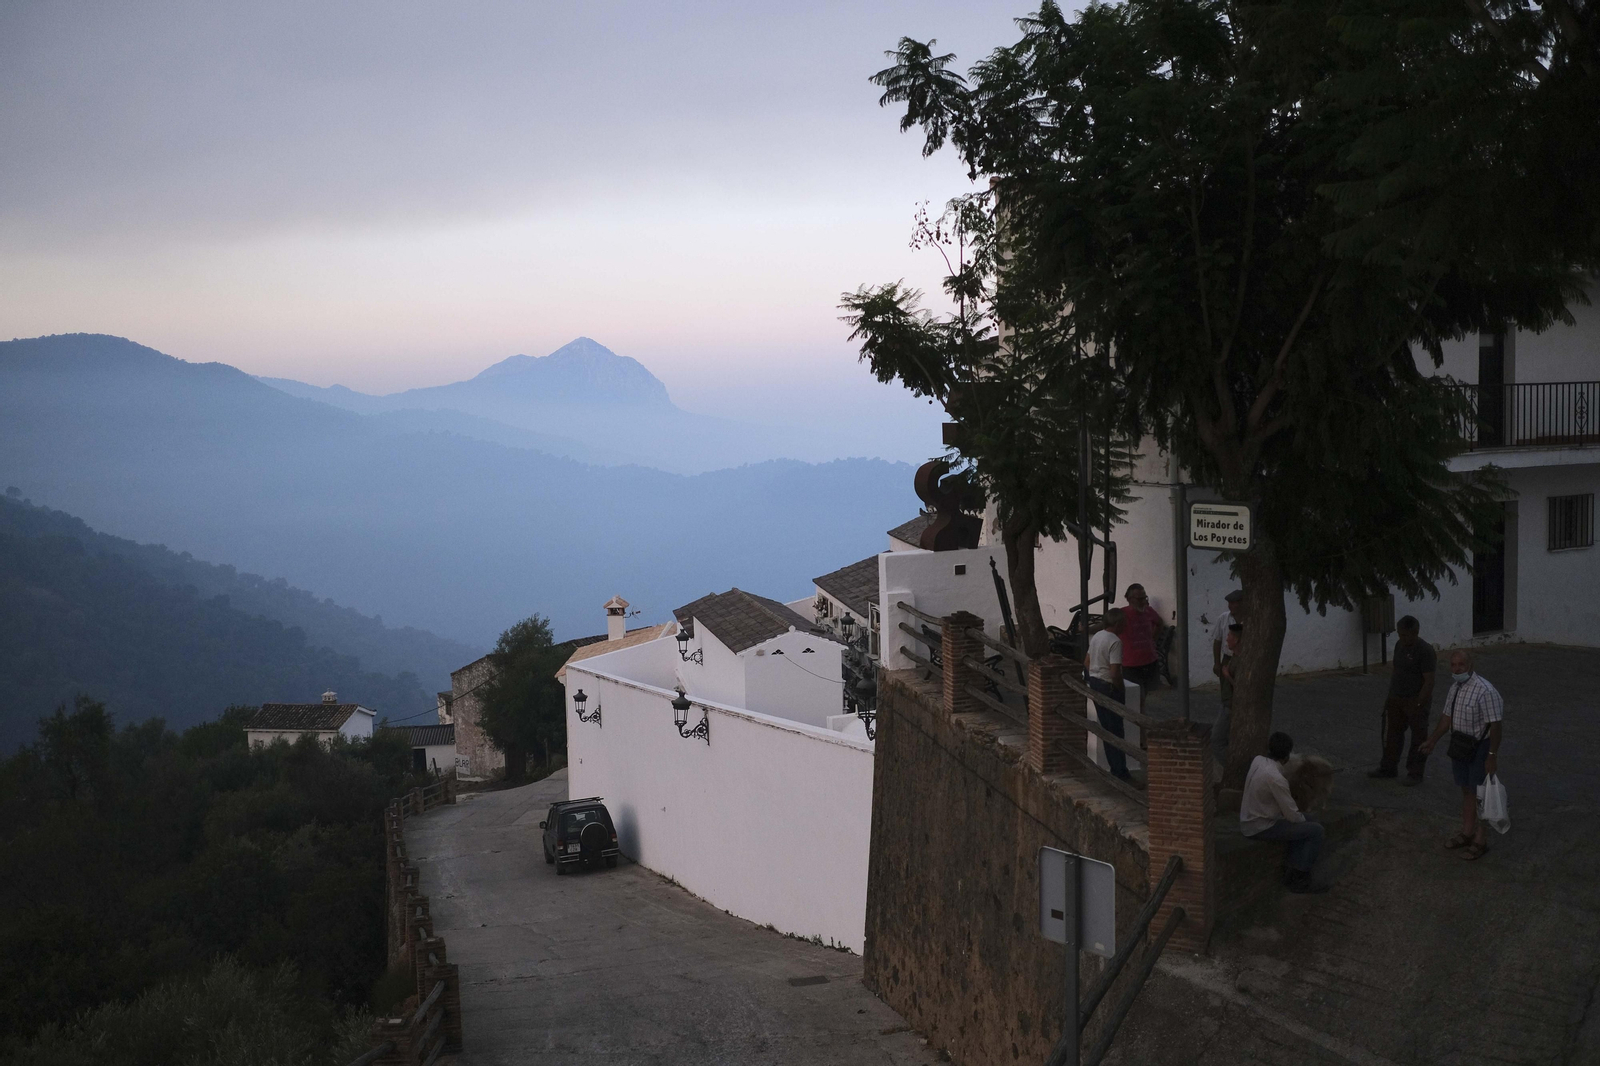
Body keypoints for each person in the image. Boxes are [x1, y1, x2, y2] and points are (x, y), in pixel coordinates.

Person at [1419, 651, 1504, 861]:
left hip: (1480, 747)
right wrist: (1433, 740)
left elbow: (1496, 726)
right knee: (1466, 790)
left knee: (1481, 794)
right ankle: (1467, 832)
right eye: (1453, 665)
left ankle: (1481, 839)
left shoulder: (1485, 691)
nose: (1457, 669)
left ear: (1471, 665)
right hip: (1460, 746)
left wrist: (1492, 755)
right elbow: (1447, 717)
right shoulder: (1455, 688)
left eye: (1461, 665)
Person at [1240, 731, 1327, 893]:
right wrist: (1307, 822)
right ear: (1286, 757)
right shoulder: (1276, 779)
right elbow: (1292, 814)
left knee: (1308, 823)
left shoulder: (1258, 761)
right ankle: (1299, 877)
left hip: (1251, 818)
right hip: (1261, 827)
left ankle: (1292, 866)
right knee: (1316, 830)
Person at [1368, 616, 1437, 785]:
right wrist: (1390, 697)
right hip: (1397, 698)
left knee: (1418, 739)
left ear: (1415, 633)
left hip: (1415, 700)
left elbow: (1429, 681)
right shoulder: (1399, 646)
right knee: (1392, 735)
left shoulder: (1425, 651)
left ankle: (1415, 773)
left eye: (1406, 635)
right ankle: (1388, 768)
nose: (1403, 639)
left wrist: (1419, 703)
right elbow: (1396, 672)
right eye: (1400, 635)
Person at [1083, 607, 1134, 782]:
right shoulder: (1115, 641)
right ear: (1119, 623)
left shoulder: (1097, 636)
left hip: (1096, 683)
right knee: (1116, 731)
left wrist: (1094, 677)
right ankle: (1120, 772)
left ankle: (1116, 769)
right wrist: (1120, 689)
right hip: (1108, 687)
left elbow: (1087, 662)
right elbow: (1115, 672)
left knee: (1106, 728)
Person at [1211, 590, 1246, 748]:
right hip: (1228, 657)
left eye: (1234, 603)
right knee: (1226, 692)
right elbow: (1217, 641)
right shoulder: (1223, 618)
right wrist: (1217, 663)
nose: (1231, 606)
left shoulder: (1250, 619)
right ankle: (1228, 720)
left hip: (1242, 656)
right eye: (1229, 603)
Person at [1120, 583, 1166, 692]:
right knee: (1134, 695)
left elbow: (1160, 623)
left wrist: (1153, 640)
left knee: (1148, 693)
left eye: (1144, 598)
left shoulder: (1148, 611)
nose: (1143, 601)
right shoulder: (1122, 613)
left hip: (1150, 661)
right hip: (1131, 664)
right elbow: (1106, 625)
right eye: (1139, 599)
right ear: (1129, 599)